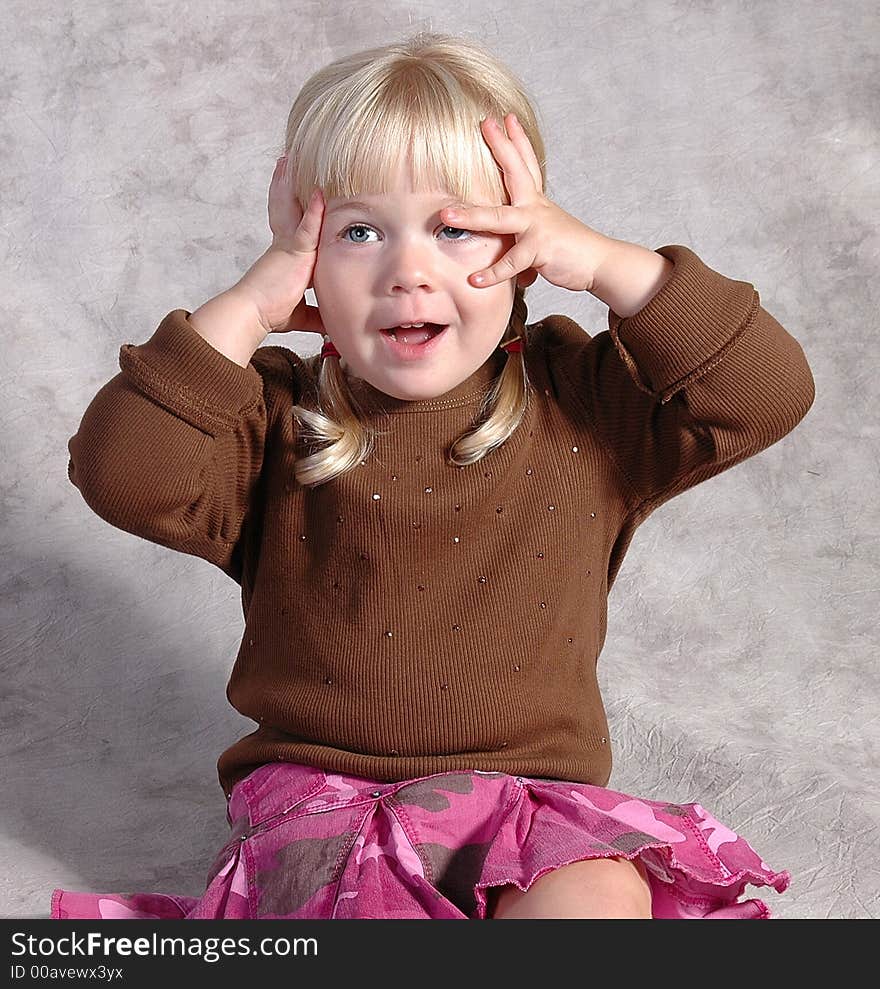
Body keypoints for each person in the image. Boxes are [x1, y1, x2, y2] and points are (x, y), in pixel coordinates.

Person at [51, 30, 815, 921]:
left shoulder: (587, 404)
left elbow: (766, 391)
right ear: (308, 259)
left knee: (603, 894)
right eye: (360, 231)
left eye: (457, 229)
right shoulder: (277, 418)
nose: (408, 270)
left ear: (529, 248)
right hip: (331, 807)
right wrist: (251, 305)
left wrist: (606, 261)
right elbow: (122, 471)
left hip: (532, 806)